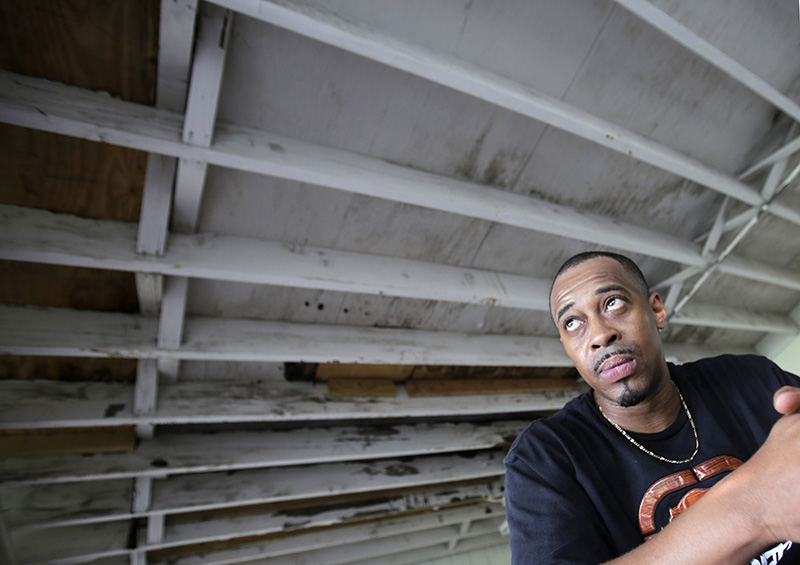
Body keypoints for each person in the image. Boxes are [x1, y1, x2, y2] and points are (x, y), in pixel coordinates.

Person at [504, 251, 800, 564]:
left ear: (656, 310)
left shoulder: (751, 379)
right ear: (566, 346)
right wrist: (752, 511)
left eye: (613, 303)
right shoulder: (545, 457)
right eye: (573, 322)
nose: (600, 335)